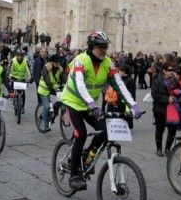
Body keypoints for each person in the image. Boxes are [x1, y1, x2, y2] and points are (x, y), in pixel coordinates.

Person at [60, 31, 143, 191]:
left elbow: (119, 85)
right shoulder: (80, 61)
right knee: (81, 134)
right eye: (100, 47)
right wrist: (91, 103)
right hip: (73, 102)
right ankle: (74, 176)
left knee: (106, 130)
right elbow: (79, 84)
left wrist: (133, 105)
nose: (104, 50)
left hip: (91, 106)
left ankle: (87, 156)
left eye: (106, 46)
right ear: (91, 47)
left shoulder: (108, 63)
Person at [151, 61, 181, 157]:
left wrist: (177, 95)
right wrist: (167, 99)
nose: (171, 72)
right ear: (164, 71)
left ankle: (168, 149)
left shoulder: (175, 80)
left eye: (173, 70)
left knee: (172, 130)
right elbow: (154, 95)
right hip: (160, 109)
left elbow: (179, 91)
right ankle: (159, 149)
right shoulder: (157, 80)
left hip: (173, 109)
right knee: (160, 129)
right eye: (169, 70)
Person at [38, 55, 65, 131]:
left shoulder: (60, 68)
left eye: (59, 62)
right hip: (44, 89)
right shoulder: (45, 68)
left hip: (54, 88)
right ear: (52, 62)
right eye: (56, 63)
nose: (58, 64)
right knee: (46, 107)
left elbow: (64, 78)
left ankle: (54, 112)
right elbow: (47, 81)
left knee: (62, 99)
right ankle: (46, 125)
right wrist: (55, 90)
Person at [6, 49, 33, 113]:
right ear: (16, 55)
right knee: (11, 88)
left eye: (21, 56)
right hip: (14, 78)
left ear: (23, 56)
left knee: (23, 93)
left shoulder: (25, 61)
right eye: (18, 55)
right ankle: (12, 97)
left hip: (22, 78)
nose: (20, 57)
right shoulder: (13, 61)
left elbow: (29, 69)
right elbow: (8, 69)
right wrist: (7, 76)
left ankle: (22, 107)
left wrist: (32, 77)